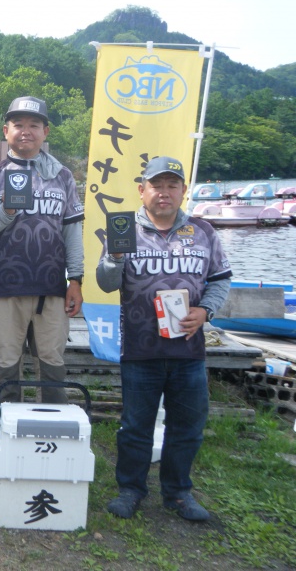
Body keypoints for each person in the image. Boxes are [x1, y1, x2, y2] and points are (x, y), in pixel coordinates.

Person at [96, 155, 232, 521]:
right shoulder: (123, 228)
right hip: (140, 348)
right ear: (142, 191)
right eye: (157, 185)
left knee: (187, 426)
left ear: (183, 191)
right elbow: (106, 284)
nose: (164, 192)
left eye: (173, 185)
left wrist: (206, 311)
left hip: (190, 349)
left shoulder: (204, 232)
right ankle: (130, 489)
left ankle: (178, 493)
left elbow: (220, 281)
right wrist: (114, 259)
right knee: (135, 426)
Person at [0, 96, 84, 404]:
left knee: (53, 363)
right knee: (7, 364)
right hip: (5, 287)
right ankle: (7, 432)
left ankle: (54, 433)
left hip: (52, 289)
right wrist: (4, 215)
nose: (25, 131)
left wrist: (77, 280)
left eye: (34, 125)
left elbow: (72, 230)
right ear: (6, 130)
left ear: (46, 132)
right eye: (18, 125)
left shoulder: (63, 176)